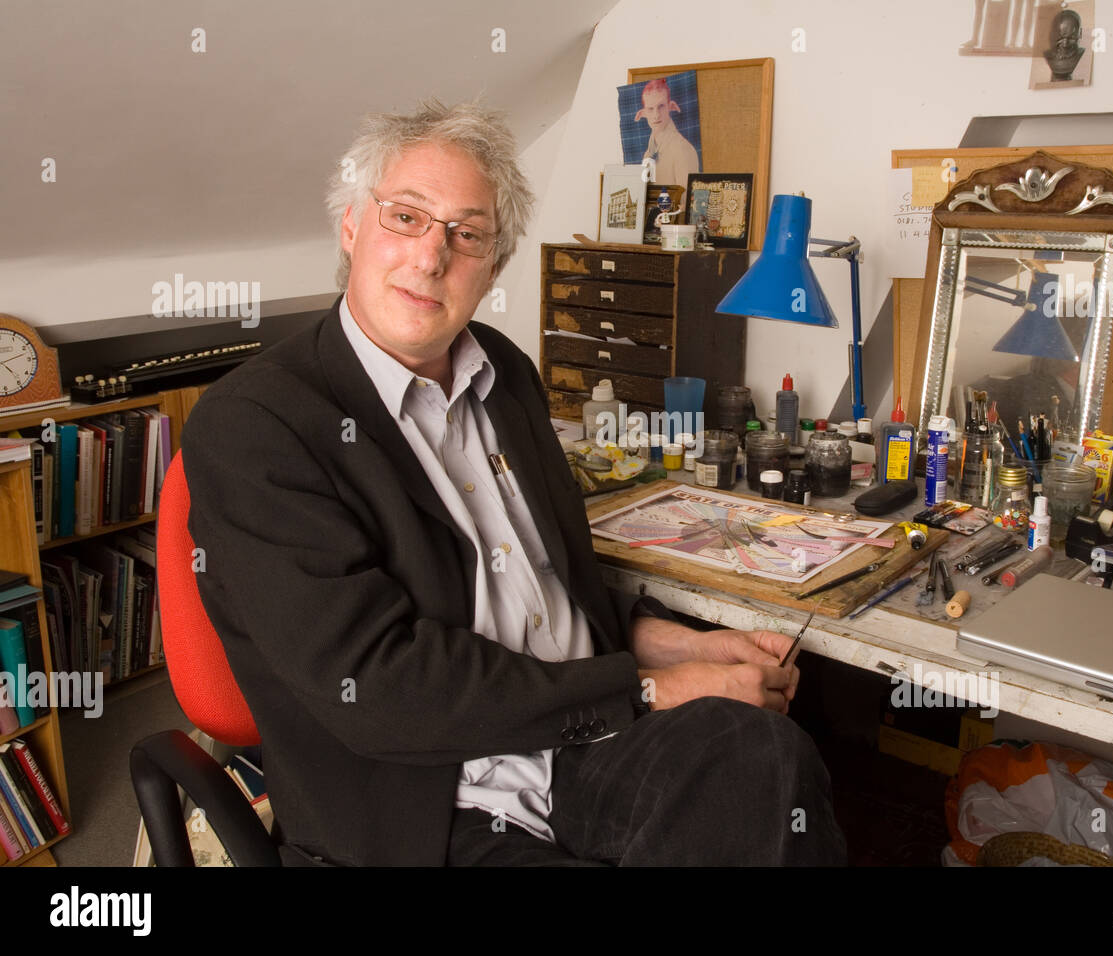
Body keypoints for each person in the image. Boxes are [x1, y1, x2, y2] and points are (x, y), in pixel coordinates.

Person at [181, 98, 845, 866]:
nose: (432, 257)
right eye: (406, 217)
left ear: (492, 267)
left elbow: (540, 586)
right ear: (351, 227)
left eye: (468, 234)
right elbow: (381, 690)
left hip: (574, 747)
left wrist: (665, 643)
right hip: (428, 805)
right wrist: (651, 690)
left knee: (766, 751)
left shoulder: (505, 373)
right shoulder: (256, 425)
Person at [636, 78, 700, 188]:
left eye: (661, 106)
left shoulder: (682, 149)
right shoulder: (648, 154)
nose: (656, 115)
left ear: (670, 107)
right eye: (650, 109)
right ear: (643, 113)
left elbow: (687, 201)